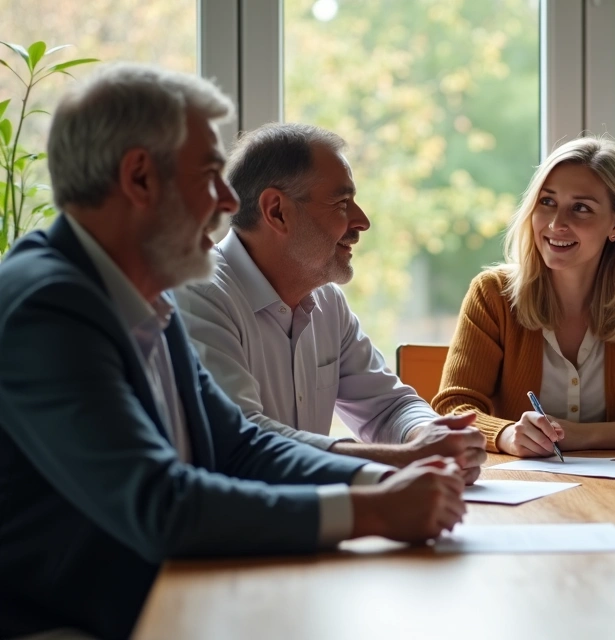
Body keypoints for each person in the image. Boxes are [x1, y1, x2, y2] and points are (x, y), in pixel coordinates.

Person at [0, 64, 466, 640]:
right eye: (210, 177)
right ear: (140, 178)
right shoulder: (49, 305)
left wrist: (375, 485)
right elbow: (161, 504)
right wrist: (371, 511)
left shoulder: (143, 291)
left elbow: (239, 446)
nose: (227, 203)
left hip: (168, 596)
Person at [176, 123, 486, 485]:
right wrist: (404, 458)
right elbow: (244, 438)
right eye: (341, 203)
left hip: (301, 524)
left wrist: (433, 435)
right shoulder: (198, 295)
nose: (363, 222)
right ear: (276, 211)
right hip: (232, 535)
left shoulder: (326, 301)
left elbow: (389, 406)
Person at [433, 136, 615, 456]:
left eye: (580, 208)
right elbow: (452, 408)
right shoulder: (491, 295)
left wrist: (584, 436)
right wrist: (508, 435)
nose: (556, 223)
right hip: (521, 491)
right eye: (547, 202)